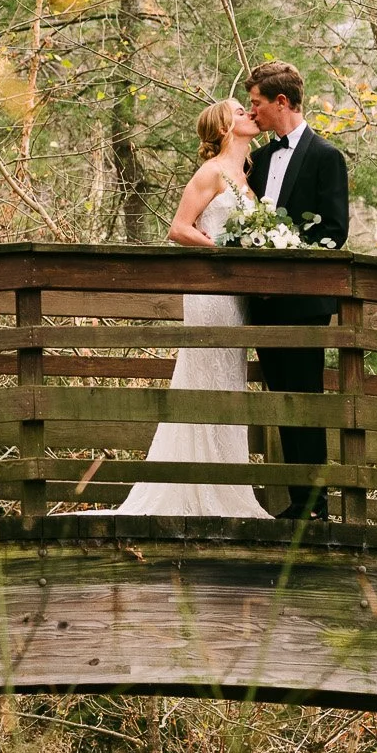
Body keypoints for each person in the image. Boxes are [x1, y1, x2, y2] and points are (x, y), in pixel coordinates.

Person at [104, 99, 274, 519]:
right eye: (239, 112)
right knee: (205, 374)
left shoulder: (246, 176)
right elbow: (178, 228)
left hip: (236, 298)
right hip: (210, 293)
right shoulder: (212, 172)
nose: (249, 114)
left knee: (228, 378)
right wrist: (221, 252)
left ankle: (226, 481)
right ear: (222, 128)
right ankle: (195, 488)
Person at [240, 61, 350, 520]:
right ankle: (296, 503)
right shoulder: (260, 160)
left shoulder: (327, 157)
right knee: (281, 397)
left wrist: (287, 247)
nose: (254, 112)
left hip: (305, 303)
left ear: (280, 102)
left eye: (257, 103)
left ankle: (316, 505)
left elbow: (335, 231)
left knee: (305, 398)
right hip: (264, 304)